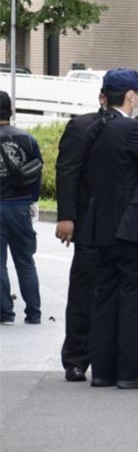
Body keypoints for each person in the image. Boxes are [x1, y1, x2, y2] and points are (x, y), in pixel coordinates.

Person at [55, 91, 138, 382]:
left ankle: (108, 366)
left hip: (118, 223)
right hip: (94, 223)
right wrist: (66, 216)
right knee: (85, 290)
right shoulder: (83, 126)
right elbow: (68, 171)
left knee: (108, 293)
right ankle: (77, 358)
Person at [0, 90, 43, 325]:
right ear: (12, 112)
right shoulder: (27, 139)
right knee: (25, 261)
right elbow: (37, 173)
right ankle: (34, 313)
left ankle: (5, 312)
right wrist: (31, 200)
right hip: (20, 205)